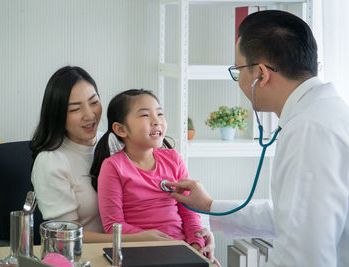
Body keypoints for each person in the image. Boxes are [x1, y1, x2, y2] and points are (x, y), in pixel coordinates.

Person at [166, 10, 349, 267]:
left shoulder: (309, 131)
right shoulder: (324, 113)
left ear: (261, 74)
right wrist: (209, 205)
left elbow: (301, 258)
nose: (238, 79)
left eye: (238, 69)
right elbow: (289, 216)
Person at [29, 66, 215, 249]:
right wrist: (141, 239)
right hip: (96, 253)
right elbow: (65, 235)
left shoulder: (118, 141)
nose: (89, 114)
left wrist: (200, 236)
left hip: (152, 245)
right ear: (58, 115)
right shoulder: (51, 162)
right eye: (75, 109)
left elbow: (185, 208)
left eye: (94, 102)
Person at [90, 89, 217, 262]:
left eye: (160, 114)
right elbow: (113, 227)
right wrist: (147, 238)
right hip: (138, 251)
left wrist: (195, 247)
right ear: (121, 129)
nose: (157, 121)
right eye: (145, 116)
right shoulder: (113, 167)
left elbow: (190, 213)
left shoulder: (174, 159)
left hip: (181, 250)